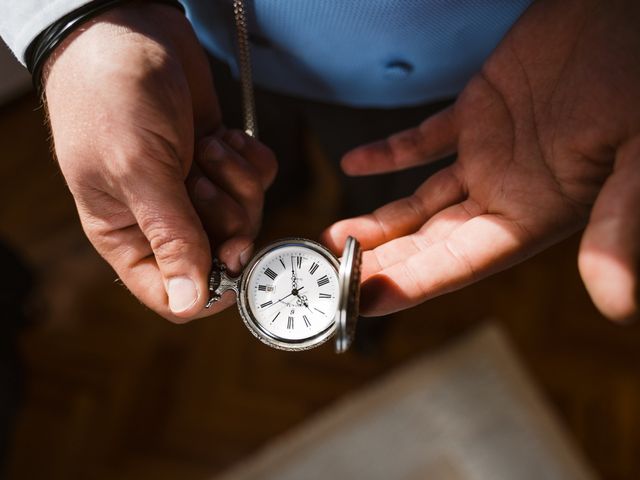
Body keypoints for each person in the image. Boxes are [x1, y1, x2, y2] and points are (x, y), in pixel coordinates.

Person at [0, 0, 637, 324]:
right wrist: (75, 22)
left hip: (487, 84)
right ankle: (287, 196)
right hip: (213, 58)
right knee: (234, 175)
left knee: (390, 207)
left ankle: (362, 317)